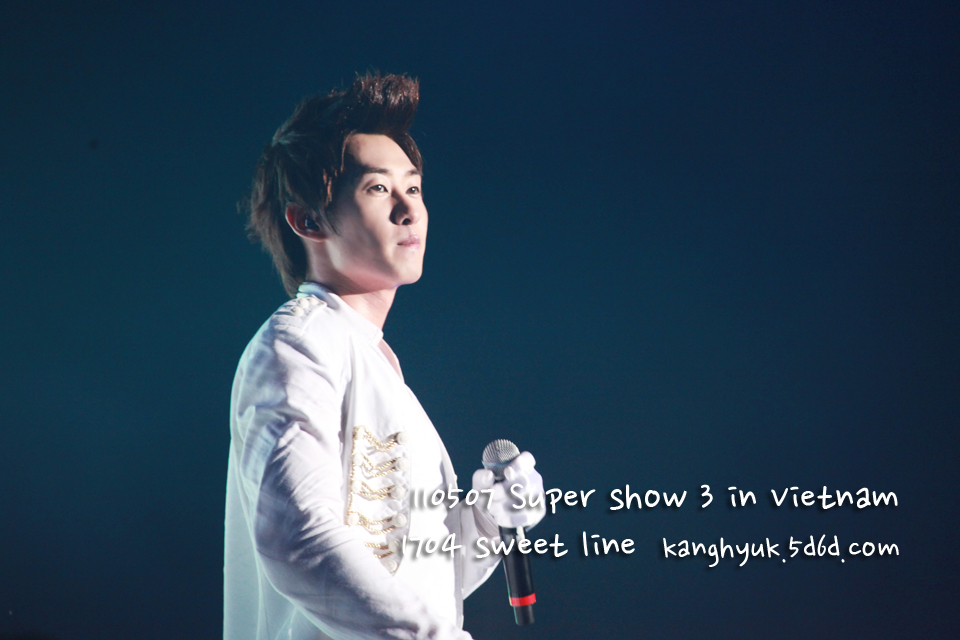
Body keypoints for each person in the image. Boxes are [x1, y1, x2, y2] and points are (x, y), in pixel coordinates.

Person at [224, 73, 546, 640]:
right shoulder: (299, 344)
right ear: (308, 219)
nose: (408, 210)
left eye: (414, 189)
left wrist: (486, 520)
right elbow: (298, 539)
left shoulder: (377, 366)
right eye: (377, 189)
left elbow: (419, 578)